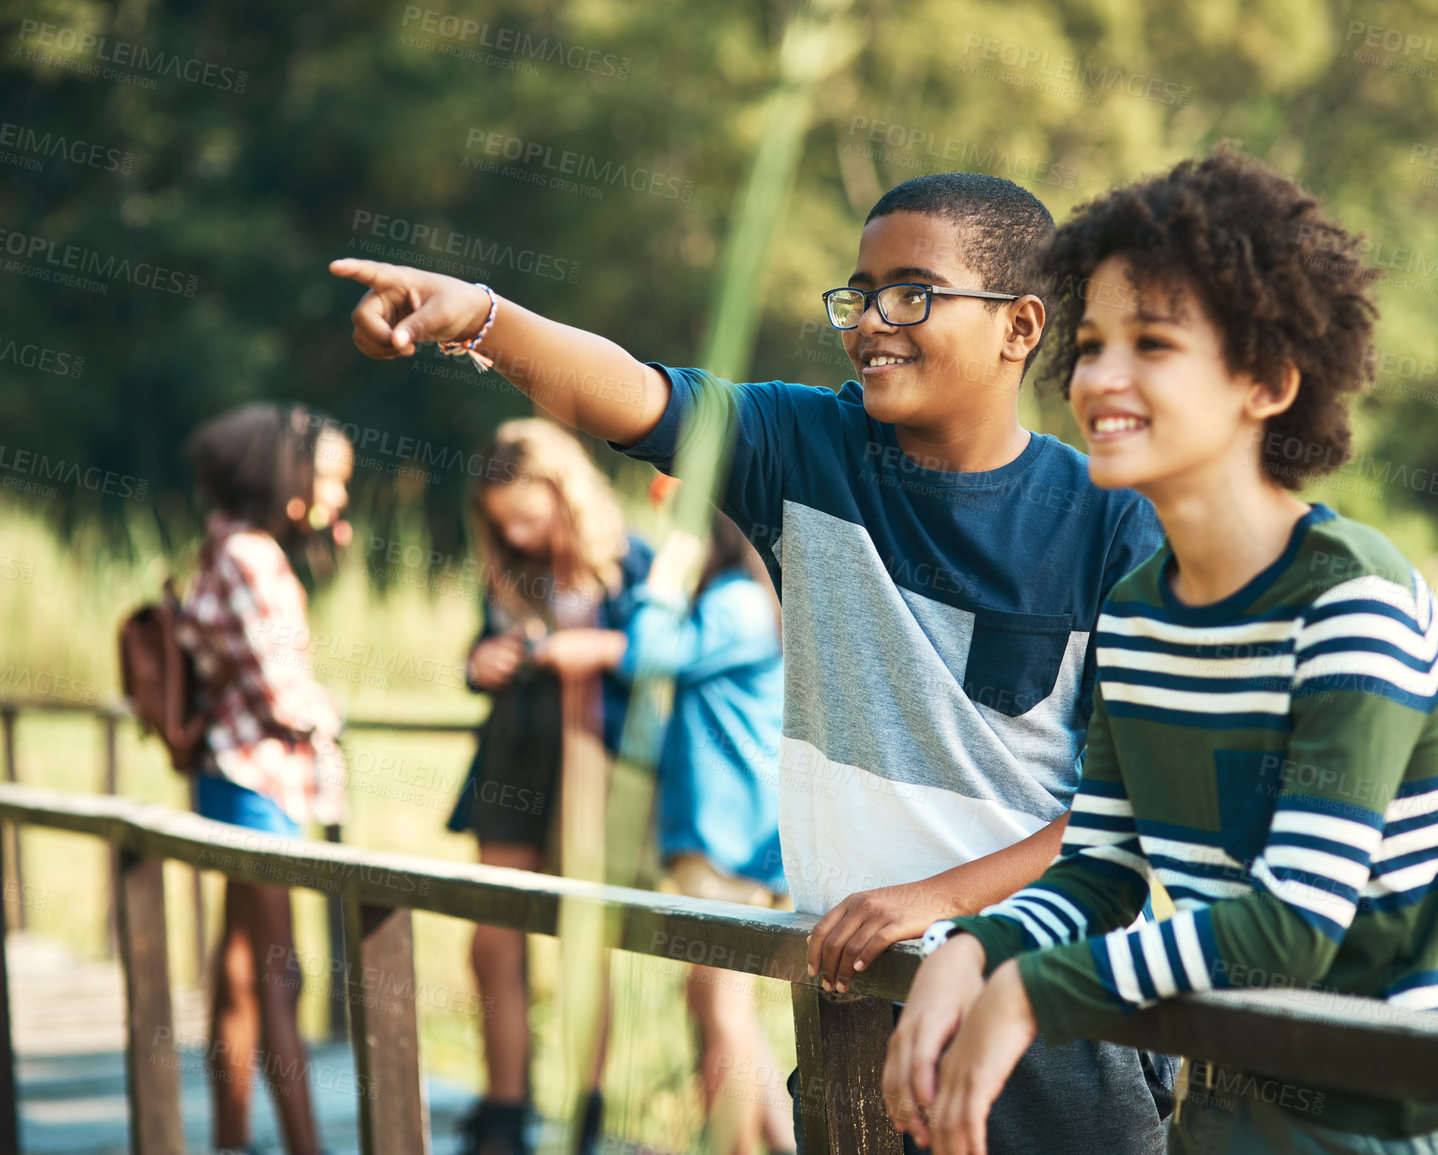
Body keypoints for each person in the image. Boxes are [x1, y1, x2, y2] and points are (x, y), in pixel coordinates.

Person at [332, 169, 1175, 1155]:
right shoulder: (808, 450)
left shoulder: (1115, 523)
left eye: (911, 293)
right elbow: (635, 395)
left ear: (1020, 327)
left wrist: (930, 904)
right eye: (856, 296)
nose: (870, 323)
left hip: (1042, 1014)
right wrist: (479, 315)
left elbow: (1139, 810)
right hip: (854, 1003)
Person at [888, 146, 1438, 1155]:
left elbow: (1290, 926)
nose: (1100, 377)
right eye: (1091, 343)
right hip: (1226, 1101)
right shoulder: (1140, 613)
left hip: (1395, 1118)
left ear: (1267, 381)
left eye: (1153, 344)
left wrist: (1025, 996)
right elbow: (1099, 871)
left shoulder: (1352, 604)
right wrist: (971, 951)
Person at [447, 418, 651, 1155]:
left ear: (568, 496)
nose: (522, 535)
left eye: (531, 517)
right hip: (511, 757)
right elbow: (478, 651)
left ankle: (582, 1110)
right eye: (505, 524)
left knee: (581, 943)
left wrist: (596, 648)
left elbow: (670, 651)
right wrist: (483, 661)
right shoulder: (507, 570)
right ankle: (505, 1107)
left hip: (594, 763)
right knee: (492, 937)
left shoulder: (632, 563)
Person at [178, 402, 354, 1155]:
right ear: (288, 479)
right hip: (256, 784)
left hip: (230, 777)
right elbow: (281, 692)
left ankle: (230, 1137)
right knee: (282, 975)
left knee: (243, 967)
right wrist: (328, 712)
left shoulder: (225, 547)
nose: (339, 497)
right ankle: (303, 1143)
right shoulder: (254, 557)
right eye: (332, 481)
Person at [622, 494, 795, 1155]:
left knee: (718, 1003)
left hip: (724, 837)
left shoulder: (735, 601)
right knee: (725, 1006)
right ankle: (781, 1145)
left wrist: (662, 582)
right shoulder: (751, 598)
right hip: (732, 833)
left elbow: (644, 655)